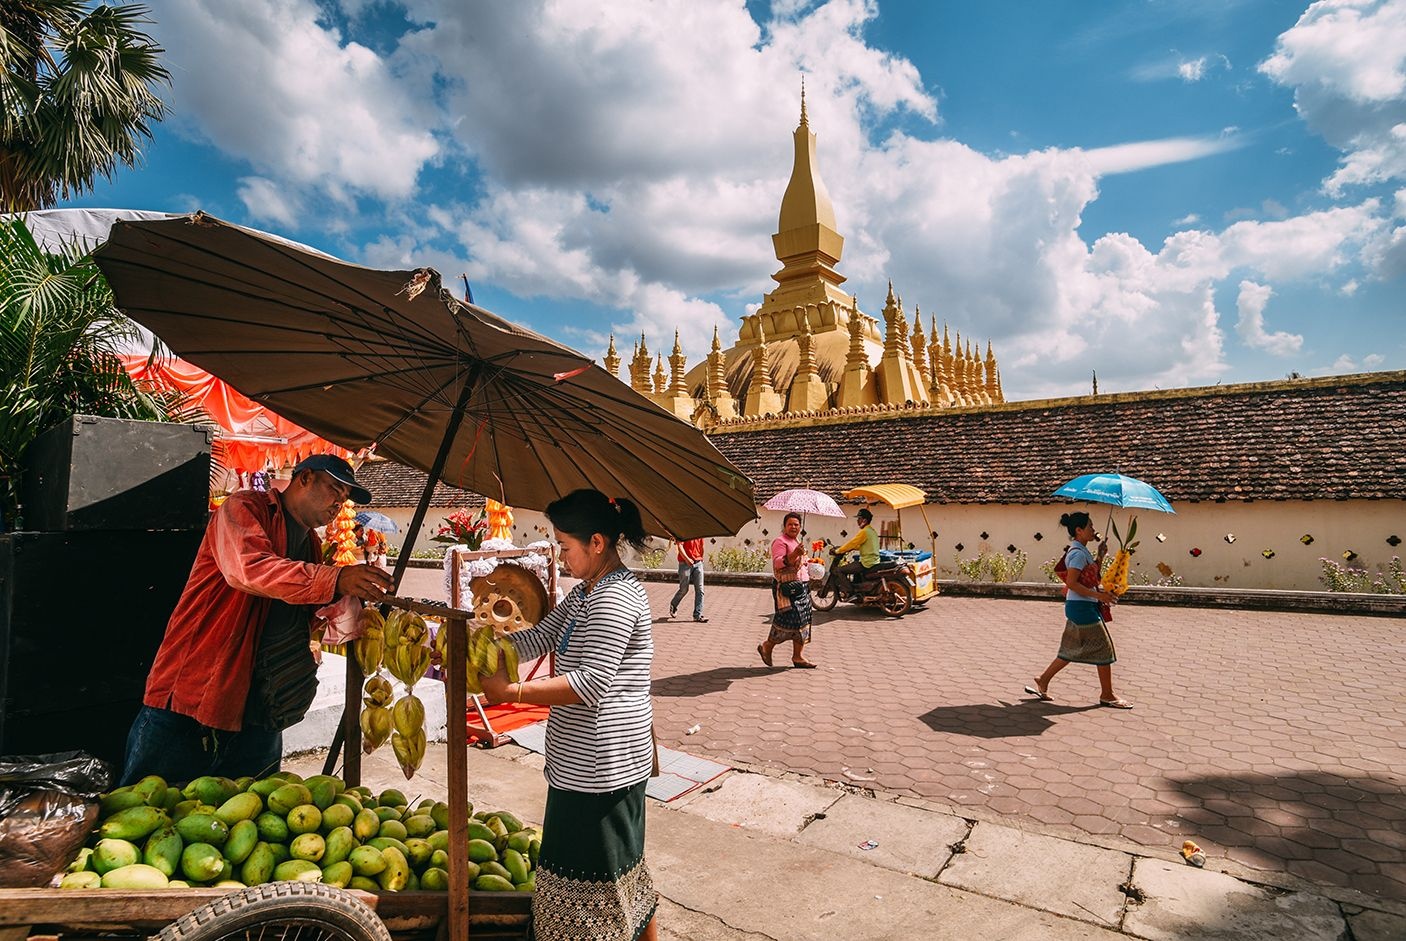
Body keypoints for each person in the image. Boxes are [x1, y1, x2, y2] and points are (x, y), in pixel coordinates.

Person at [119, 454, 393, 785]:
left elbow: (299, 611)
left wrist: (344, 605)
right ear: (304, 478)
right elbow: (249, 569)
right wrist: (334, 580)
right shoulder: (244, 508)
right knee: (153, 807)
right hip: (197, 693)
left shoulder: (311, 545)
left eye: (345, 497)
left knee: (250, 814)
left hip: (261, 708)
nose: (339, 503)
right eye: (335, 489)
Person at [480, 489, 658, 941]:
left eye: (565, 546)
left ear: (597, 543)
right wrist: (480, 645)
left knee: (605, 875)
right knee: (616, 868)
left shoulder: (614, 598)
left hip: (604, 766)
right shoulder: (585, 593)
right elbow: (537, 638)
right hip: (578, 760)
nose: (561, 557)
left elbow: (591, 682)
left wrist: (513, 691)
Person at [1026, 510, 1132, 709]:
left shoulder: (1082, 551)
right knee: (1104, 649)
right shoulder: (1076, 554)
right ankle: (1107, 694)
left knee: (1070, 649)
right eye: (1090, 526)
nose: (1094, 529)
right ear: (1079, 530)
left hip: (1080, 606)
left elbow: (1090, 578)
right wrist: (1100, 596)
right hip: (1082, 607)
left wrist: (1100, 556)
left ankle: (1043, 679)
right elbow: (1073, 583)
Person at [759, 511, 816, 668]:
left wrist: (811, 562)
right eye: (790, 524)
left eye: (796, 524)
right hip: (787, 588)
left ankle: (798, 657)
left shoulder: (796, 541)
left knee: (803, 620)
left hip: (802, 586)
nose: (793, 527)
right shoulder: (780, 541)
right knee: (787, 620)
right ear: (784, 526)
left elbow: (800, 562)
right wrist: (795, 554)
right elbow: (778, 563)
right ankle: (767, 646)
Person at [831, 506, 880, 594]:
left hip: (866, 563)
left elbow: (852, 543)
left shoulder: (864, 532)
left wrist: (837, 551)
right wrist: (852, 548)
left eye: (859, 519)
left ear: (864, 520)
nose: (857, 521)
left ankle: (850, 590)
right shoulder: (872, 531)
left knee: (838, 570)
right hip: (873, 561)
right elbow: (863, 545)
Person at [668, 534, 707, 622]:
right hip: (685, 564)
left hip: (698, 563)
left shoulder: (700, 532)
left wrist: (701, 559)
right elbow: (680, 546)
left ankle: (698, 615)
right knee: (684, 589)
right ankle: (674, 604)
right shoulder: (683, 531)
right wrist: (687, 559)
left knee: (700, 590)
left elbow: (701, 546)